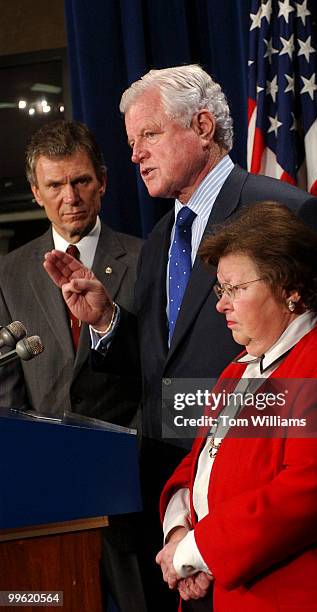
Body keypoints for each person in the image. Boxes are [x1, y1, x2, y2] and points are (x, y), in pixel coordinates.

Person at [43, 65, 317, 609]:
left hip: (287, 547)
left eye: (149, 135)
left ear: (202, 127)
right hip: (179, 516)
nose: (135, 155)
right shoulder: (159, 240)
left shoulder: (289, 214)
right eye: (131, 143)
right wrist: (108, 321)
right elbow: (164, 369)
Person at [156, 202, 317, 611]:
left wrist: (195, 552)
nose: (221, 304)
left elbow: (302, 499)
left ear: (290, 289)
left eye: (236, 289)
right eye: (221, 290)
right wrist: (177, 532)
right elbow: (200, 463)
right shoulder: (238, 371)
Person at [0, 120, 146, 612]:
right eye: (56, 184)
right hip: (48, 502)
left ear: (103, 180)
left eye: (81, 180)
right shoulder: (8, 274)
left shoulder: (147, 260)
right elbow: (8, 393)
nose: (71, 196)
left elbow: (157, 372)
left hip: (134, 491)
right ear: (36, 191)